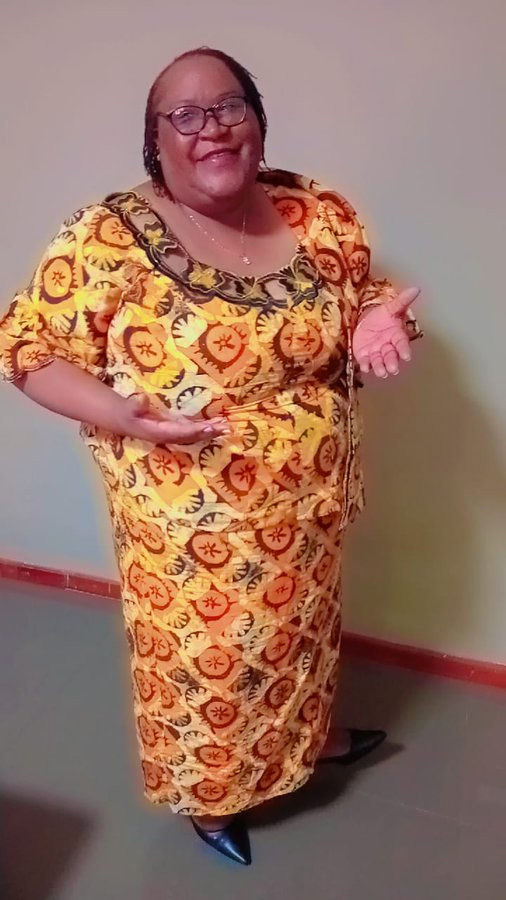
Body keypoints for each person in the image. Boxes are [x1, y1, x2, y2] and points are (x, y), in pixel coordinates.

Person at [0, 47, 421, 866]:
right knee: (214, 669)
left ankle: (308, 743)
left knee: (300, 638)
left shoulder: (316, 214)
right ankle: (212, 796)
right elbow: (26, 348)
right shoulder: (107, 239)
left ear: (257, 119)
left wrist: (378, 320)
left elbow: (356, 299)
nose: (212, 129)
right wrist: (115, 410)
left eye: (230, 106)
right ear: (155, 139)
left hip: (309, 507)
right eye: (185, 116)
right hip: (191, 534)